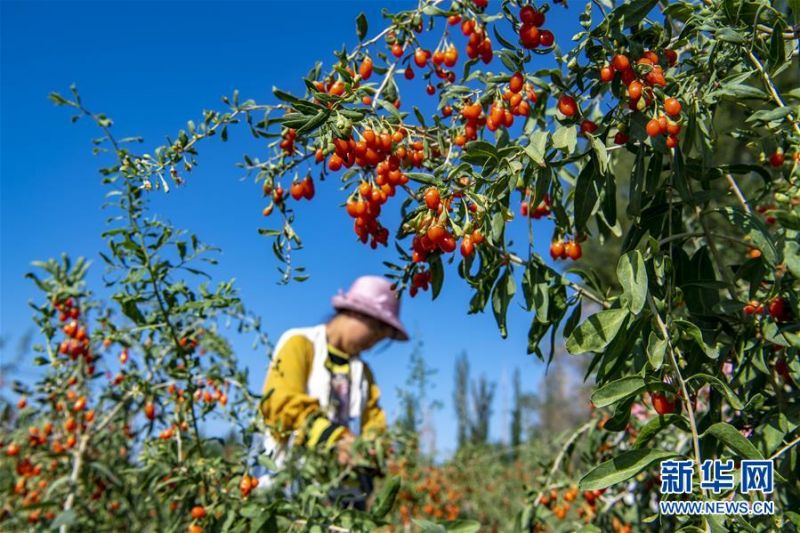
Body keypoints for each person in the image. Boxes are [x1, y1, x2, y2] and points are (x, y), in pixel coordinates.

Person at [255, 275, 408, 508]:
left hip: (339, 494)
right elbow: (281, 403)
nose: (373, 344)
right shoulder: (300, 344)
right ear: (356, 313)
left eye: (381, 339)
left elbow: (374, 422)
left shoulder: (363, 373)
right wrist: (337, 439)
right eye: (375, 333)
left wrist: (372, 450)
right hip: (286, 479)